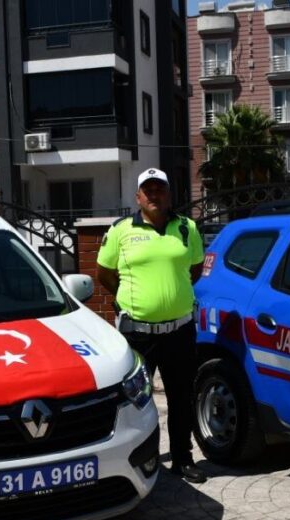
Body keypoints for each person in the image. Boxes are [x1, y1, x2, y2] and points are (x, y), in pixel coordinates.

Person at [96, 168, 207, 484]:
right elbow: (104, 272)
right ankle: (138, 459)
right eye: (148, 190)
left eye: (160, 189)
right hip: (138, 334)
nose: (154, 195)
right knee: (135, 401)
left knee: (181, 397)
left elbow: (195, 269)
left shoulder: (187, 228)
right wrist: (128, 298)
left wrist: (172, 294)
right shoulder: (121, 230)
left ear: (169, 194)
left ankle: (183, 459)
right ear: (138, 197)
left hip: (180, 331)